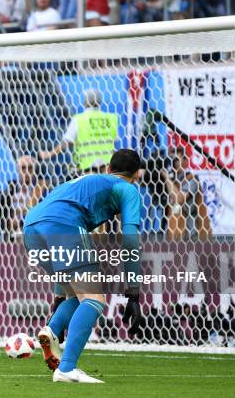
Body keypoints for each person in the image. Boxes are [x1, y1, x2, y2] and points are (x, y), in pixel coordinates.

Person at [23, 149, 143, 383]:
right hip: (64, 226)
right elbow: (130, 238)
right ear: (136, 174)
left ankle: (52, 330)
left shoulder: (86, 180)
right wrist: (133, 293)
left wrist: (59, 297)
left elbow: (55, 215)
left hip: (30, 228)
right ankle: (67, 368)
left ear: (108, 169)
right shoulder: (128, 189)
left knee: (77, 296)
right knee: (94, 300)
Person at [39, 89, 118, 175]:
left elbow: (66, 143)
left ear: (86, 101)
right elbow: (114, 144)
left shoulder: (79, 119)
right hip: (107, 169)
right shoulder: (111, 118)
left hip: (88, 170)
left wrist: (49, 154)